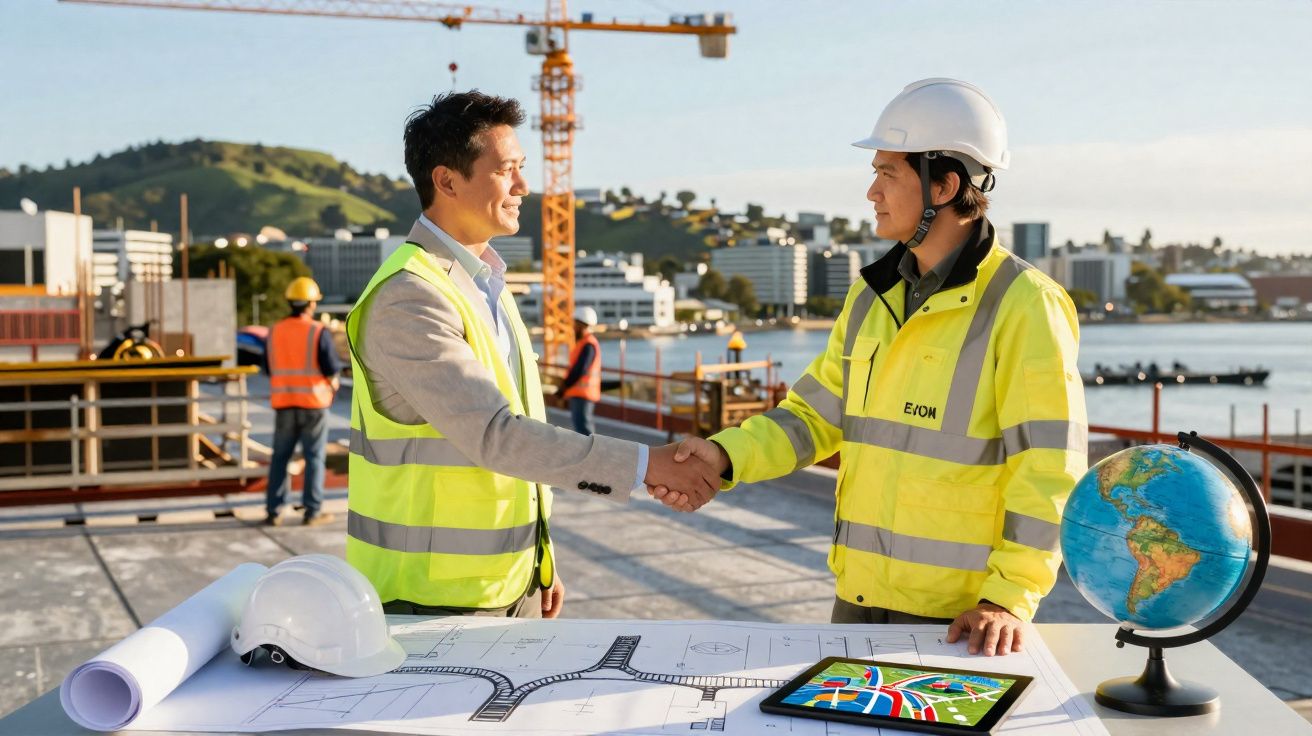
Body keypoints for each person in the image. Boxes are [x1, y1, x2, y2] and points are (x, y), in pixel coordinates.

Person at [657, 79, 1088, 656]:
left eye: (887, 173)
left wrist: (1009, 597)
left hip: (964, 620)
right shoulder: (871, 295)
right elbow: (812, 418)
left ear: (944, 185)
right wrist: (724, 455)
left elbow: (1049, 467)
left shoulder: (1025, 304)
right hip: (858, 599)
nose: (871, 191)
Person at [345, 90, 718, 621]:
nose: (523, 186)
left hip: (506, 583)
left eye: (521, 168)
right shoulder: (410, 296)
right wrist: (647, 465)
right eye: (506, 171)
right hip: (429, 598)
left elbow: (520, 434)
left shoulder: (487, 286)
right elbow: (495, 435)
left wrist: (540, 561)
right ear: (447, 181)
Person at [263, 276, 342, 527]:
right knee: (314, 458)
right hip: (313, 404)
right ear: (311, 304)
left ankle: (274, 511)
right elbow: (331, 368)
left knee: (280, 458)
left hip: (284, 403)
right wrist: (333, 383)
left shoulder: (275, 331)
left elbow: (268, 367)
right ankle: (312, 512)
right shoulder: (317, 331)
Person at [559, 306, 601, 436]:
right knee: (582, 431)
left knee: (584, 432)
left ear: (582, 325)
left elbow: (579, 370)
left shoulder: (588, 345)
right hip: (581, 394)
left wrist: (564, 387)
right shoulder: (584, 343)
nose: (573, 327)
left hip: (583, 395)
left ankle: (594, 450)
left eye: (575, 324)